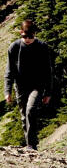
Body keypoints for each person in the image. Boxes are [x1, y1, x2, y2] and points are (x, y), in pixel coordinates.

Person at [4, 20, 54, 150]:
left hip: (37, 86)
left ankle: (32, 144)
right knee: (23, 115)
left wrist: (48, 92)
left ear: (34, 34)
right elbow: (9, 70)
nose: (27, 39)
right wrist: (7, 91)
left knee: (30, 110)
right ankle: (30, 145)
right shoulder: (14, 47)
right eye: (24, 36)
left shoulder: (42, 47)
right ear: (21, 33)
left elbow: (47, 71)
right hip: (20, 86)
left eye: (30, 37)